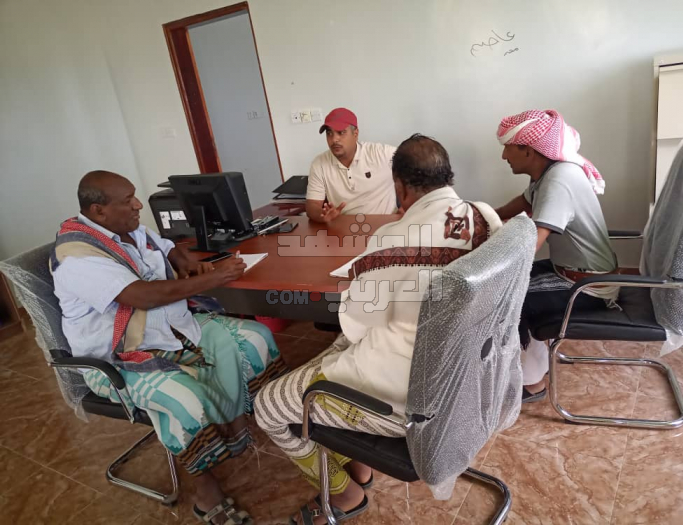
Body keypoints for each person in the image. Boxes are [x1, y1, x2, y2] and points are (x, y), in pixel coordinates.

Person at [256, 134, 502, 524]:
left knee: (267, 406)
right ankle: (359, 462)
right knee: (336, 351)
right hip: (467, 379)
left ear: (399, 186)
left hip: (407, 397)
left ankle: (345, 494)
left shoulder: (392, 240)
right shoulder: (484, 217)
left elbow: (358, 324)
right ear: (447, 175)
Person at [52, 171, 288, 525]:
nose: (138, 205)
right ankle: (206, 493)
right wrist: (214, 277)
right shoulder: (77, 257)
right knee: (184, 400)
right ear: (99, 211)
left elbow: (165, 246)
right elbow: (140, 296)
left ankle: (238, 431)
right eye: (128, 200)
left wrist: (185, 262)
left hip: (170, 330)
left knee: (254, 339)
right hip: (118, 358)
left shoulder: (127, 230)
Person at [495, 109, 618, 403]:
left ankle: (532, 383)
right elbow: (523, 202)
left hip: (589, 287)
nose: (503, 156)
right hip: (572, 270)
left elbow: (531, 246)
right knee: (510, 284)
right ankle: (535, 366)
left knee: (508, 296)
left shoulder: (559, 180)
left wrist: (489, 262)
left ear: (528, 150)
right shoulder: (549, 173)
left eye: (508, 148)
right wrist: (485, 216)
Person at [305, 107, 398, 223]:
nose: (334, 139)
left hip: (384, 225)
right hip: (345, 226)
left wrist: (408, 208)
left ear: (355, 133)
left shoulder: (381, 154)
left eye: (341, 132)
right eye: (329, 133)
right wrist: (323, 215)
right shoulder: (319, 163)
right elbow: (312, 205)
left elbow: (416, 165)